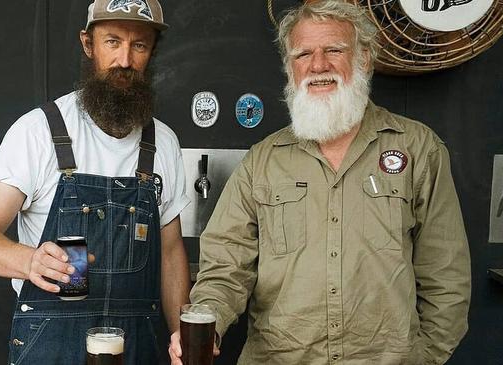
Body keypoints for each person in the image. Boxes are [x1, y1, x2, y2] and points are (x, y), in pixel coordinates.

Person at [169, 1, 471, 364]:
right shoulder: (262, 162)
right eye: (303, 54)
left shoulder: (418, 149)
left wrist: (423, 358)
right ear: (290, 68)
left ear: (364, 58)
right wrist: (208, 321)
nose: (318, 65)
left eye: (334, 50)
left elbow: (446, 278)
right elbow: (225, 269)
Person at [0, 0, 191, 363]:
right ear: (88, 44)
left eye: (139, 45)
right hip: (50, 342)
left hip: (137, 345)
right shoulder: (38, 131)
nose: (125, 61)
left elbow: (169, 251)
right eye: (113, 41)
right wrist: (30, 261)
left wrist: (183, 331)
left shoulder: (162, 141)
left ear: (152, 52)